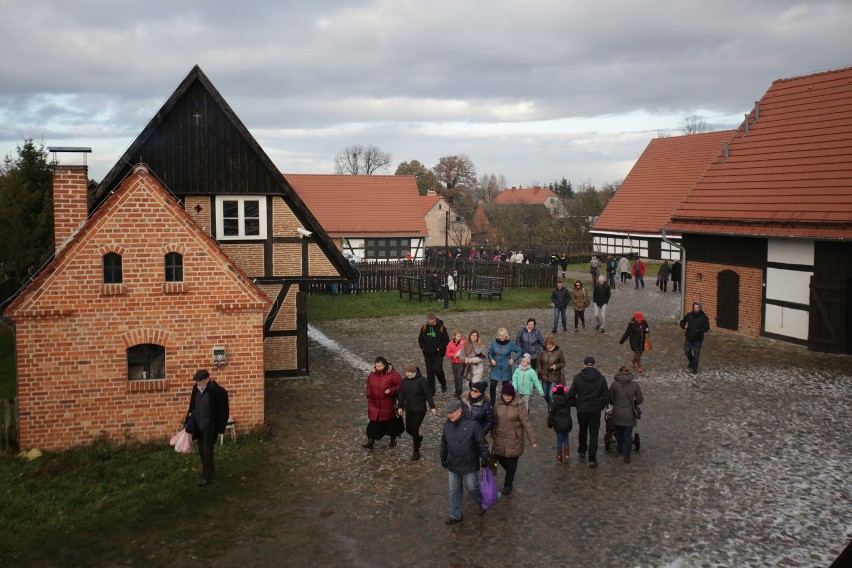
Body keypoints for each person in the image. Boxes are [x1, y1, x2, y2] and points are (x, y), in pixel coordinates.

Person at [439, 399, 490, 524]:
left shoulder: (472, 425)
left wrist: (485, 457)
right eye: (448, 413)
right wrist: (443, 457)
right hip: (453, 464)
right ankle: (456, 515)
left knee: (472, 488)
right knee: (454, 491)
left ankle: (482, 502)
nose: (449, 415)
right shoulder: (447, 426)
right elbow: (444, 444)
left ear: (460, 411)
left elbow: (481, 442)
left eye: (452, 413)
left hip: (469, 465)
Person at [490, 383, 537, 495]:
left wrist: (532, 440)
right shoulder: (498, 403)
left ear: (513, 395)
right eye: (505, 395)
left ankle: (508, 484)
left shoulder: (519, 405)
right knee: (499, 459)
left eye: (509, 396)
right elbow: (495, 421)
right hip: (500, 437)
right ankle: (509, 474)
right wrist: (493, 434)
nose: (507, 398)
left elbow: (526, 423)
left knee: (511, 465)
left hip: (514, 439)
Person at [187, 369, 229, 486]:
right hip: (198, 424)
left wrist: (221, 426)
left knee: (206, 449)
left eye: (199, 381)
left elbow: (222, 410)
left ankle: (207, 476)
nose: (197, 383)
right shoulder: (196, 389)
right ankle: (210, 467)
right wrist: (189, 418)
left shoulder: (216, 391)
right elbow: (192, 405)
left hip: (209, 425)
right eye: (196, 382)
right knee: (202, 449)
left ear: (207, 380)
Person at [568, 356, 608, 468]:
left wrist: (576, 402)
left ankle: (582, 449)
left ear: (584, 364)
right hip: (595, 409)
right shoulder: (601, 378)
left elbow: (571, 394)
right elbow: (606, 396)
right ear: (594, 365)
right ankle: (592, 459)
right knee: (594, 434)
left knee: (583, 430)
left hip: (582, 409)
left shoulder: (577, 378)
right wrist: (600, 406)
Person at [397, 363, 436, 460]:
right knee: (409, 429)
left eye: (410, 372)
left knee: (414, 429)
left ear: (414, 372)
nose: (408, 374)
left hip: (420, 409)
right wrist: (400, 407)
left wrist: (432, 406)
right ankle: (418, 438)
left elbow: (427, 393)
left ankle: (416, 451)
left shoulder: (422, 380)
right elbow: (401, 394)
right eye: (406, 372)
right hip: (409, 408)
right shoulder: (405, 381)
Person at [363, 357, 404, 449]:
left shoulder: (393, 374)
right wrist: (369, 395)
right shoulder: (372, 375)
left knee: (390, 423)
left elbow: (401, 384)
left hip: (388, 404)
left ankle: (393, 438)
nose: (378, 368)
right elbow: (369, 386)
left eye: (380, 366)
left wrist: (391, 390)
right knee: (373, 424)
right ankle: (371, 441)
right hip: (374, 404)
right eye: (376, 366)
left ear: (384, 365)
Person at [609, 365, 643, 464]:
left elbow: (611, 400)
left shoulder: (614, 385)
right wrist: (633, 403)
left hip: (617, 412)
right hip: (629, 413)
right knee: (628, 435)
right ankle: (627, 456)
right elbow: (640, 399)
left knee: (619, 433)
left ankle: (620, 450)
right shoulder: (635, 385)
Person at [487, 327, 522, 403]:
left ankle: (505, 401)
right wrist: (491, 359)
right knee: (492, 386)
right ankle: (492, 403)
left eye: (503, 335)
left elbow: (520, 350)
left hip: (506, 368)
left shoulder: (510, 344)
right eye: (500, 335)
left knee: (506, 387)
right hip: (495, 368)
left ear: (506, 336)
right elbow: (490, 353)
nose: (502, 337)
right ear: (498, 336)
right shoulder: (494, 343)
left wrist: (513, 359)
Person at [418, 312, 450, 396]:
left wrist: (439, 348)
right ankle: (431, 391)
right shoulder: (424, 327)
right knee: (429, 372)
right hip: (427, 354)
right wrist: (423, 347)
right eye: (428, 319)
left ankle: (443, 383)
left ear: (434, 319)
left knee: (438, 371)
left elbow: (446, 340)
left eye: (431, 320)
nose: (429, 321)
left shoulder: (441, 327)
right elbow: (420, 339)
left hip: (437, 354)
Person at [680, 301, 711, 374]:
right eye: (694, 307)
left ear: (700, 308)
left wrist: (699, 330)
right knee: (687, 351)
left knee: (696, 354)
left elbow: (707, 327)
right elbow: (682, 322)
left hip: (698, 338)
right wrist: (684, 326)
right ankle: (691, 361)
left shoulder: (703, 317)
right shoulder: (689, 315)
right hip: (689, 337)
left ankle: (694, 368)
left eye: (697, 307)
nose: (695, 308)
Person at [537, 335, 565, 410]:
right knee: (545, 395)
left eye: (550, 345)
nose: (548, 346)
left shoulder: (558, 351)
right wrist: (540, 370)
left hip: (554, 376)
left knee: (550, 395)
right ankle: (552, 406)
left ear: (553, 344)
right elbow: (538, 361)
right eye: (546, 345)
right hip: (544, 376)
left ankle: (551, 411)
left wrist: (556, 366)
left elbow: (563, 363)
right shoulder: (542, 350)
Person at [547, 384, 573, 463]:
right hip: (567, 423)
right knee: (566, 438)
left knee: (559, 440)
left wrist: (550, 424)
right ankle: (566, 455)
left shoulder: (553, 401)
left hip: (558, 424)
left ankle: (559, 457)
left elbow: (551, 414)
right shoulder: (567, 399)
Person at [446, 330, 466, 398]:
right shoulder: (450, 344)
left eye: (460, 336)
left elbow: (466, 351)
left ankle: (460, 392)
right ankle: (456, 390)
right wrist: (454, 354)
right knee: (455, 377)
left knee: (459, 377)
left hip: (461, 362)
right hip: (454, 363)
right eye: (458, 336)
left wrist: (460, 354)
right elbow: (448, 353)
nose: (459, 337)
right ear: (454, 337)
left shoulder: (463, 343)